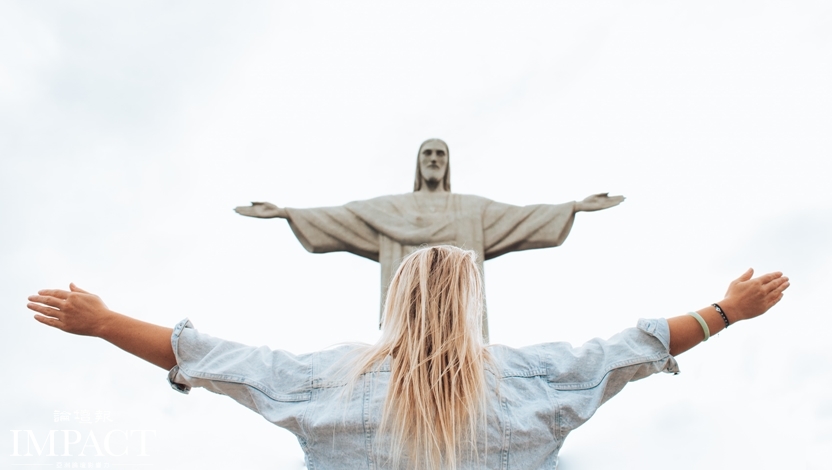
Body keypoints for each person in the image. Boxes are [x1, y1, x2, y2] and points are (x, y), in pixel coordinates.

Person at [28, 246, 789, 469]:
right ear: (472, 306)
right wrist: (728, 310)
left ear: (396, 303)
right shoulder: (530, 382)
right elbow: (634, 347)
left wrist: (101, 323)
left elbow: (209, 356)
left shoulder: (332, 382)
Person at [234, 138, 624, 341]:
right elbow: (344, 216)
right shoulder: (392, 208)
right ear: (419, 164)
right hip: (409, 312)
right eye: (427, 153)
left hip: (461, 313)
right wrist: (288, 213)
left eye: (440, 153)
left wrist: (573, 207)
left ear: (447, 163)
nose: (434, 159)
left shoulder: (472, 209)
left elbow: (520, 217)